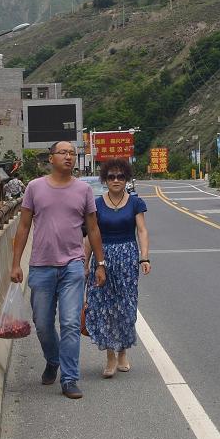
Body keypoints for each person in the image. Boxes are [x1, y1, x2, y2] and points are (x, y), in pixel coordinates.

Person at [9, 141, 106, 399]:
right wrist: (16, 263)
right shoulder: (34, 187)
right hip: (41, 266)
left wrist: (100, 263)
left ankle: (70, 378)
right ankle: (53, 360)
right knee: (42, 324)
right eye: (63, 152)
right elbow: (23, 226)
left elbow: (93, 228)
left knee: (71, 323)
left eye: (72, 153)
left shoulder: (84, 190)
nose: (68, 156)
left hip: (73, 266)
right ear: (51, 158)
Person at [83, 158, 151, 378]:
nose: (116, 180)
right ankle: (110, 356)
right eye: (111, 176)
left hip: (127, 259)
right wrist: (85, 264)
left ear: (126, 179)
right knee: (104, 307)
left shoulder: (135, 203)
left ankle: (123, 351)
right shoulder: (96, 204)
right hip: (102, 259)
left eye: (120, 176)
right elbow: (91, 235)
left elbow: (142, 230)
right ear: (105, 179)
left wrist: (144, 258)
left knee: (126, 307)